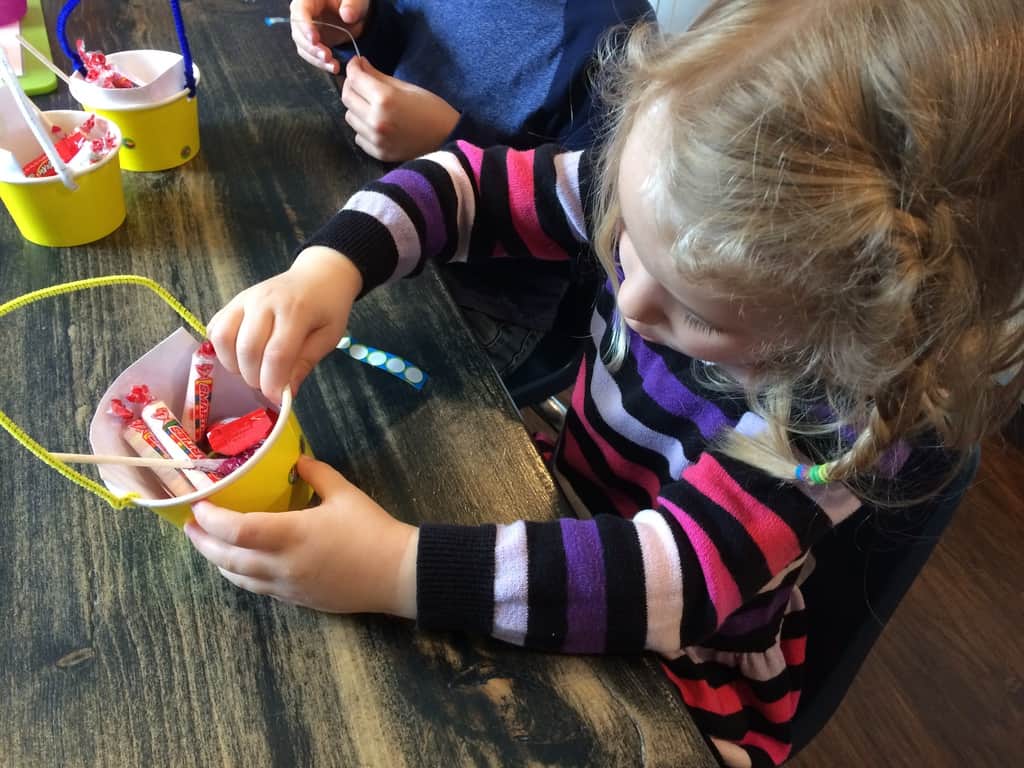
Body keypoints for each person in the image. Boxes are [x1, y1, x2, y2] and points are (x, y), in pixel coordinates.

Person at [187, 1, 1024, 765]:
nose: (629, 298)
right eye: (629, 245)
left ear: (850, 336)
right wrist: (327, 267)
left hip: (678, 682)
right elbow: (461, 182)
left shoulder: (843, 419)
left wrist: (393, 568)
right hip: (564, 505)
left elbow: (672, 581)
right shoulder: (668, 205)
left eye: (699, 314)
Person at [289, 0, 655, 377]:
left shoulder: (618, 41)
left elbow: (592, 224)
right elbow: (398, 44)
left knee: (322, 384)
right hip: (379, 201)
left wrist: (449, 139)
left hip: (486, 295)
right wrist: (358, 31)